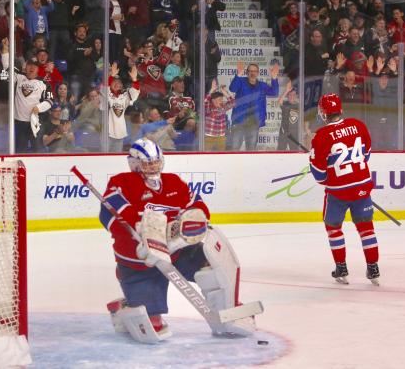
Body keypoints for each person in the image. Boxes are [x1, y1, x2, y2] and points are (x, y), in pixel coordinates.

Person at [100, 138, 254, 343]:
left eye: (156, 161)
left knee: (211, 265)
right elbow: (109, 212)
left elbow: (196, 203)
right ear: (135, 164)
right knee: (154, 325)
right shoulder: (122, 182)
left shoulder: (173, 182)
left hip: (176, 250)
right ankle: (122, 308)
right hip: (141, 261)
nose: (153, 166)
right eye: (148, 163)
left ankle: (226, 306)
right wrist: (138, 227)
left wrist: (195, 215)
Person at [309, 93, 380, 285]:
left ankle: (341, 267)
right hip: (362, 188)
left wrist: (331, 175)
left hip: (338, 192)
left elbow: (318, 174)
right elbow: (366, 155)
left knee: (333, 228)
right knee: (367, 228)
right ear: (340, 109)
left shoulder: (321, 136)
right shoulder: (358, 125)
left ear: (323, 113)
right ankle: (373, 268)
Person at [229, 61, 280, 151]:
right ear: (247, 72)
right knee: (234, 149)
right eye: (250, 71)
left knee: (251, 150)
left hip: (254, 122)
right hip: (239, 121)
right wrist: (239, 74)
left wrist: (274, 78)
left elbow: (274, 93)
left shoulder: (262, 85)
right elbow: (232, 88)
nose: (252, 73)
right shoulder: (241, 81)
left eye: (255, 71)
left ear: (258, 72)